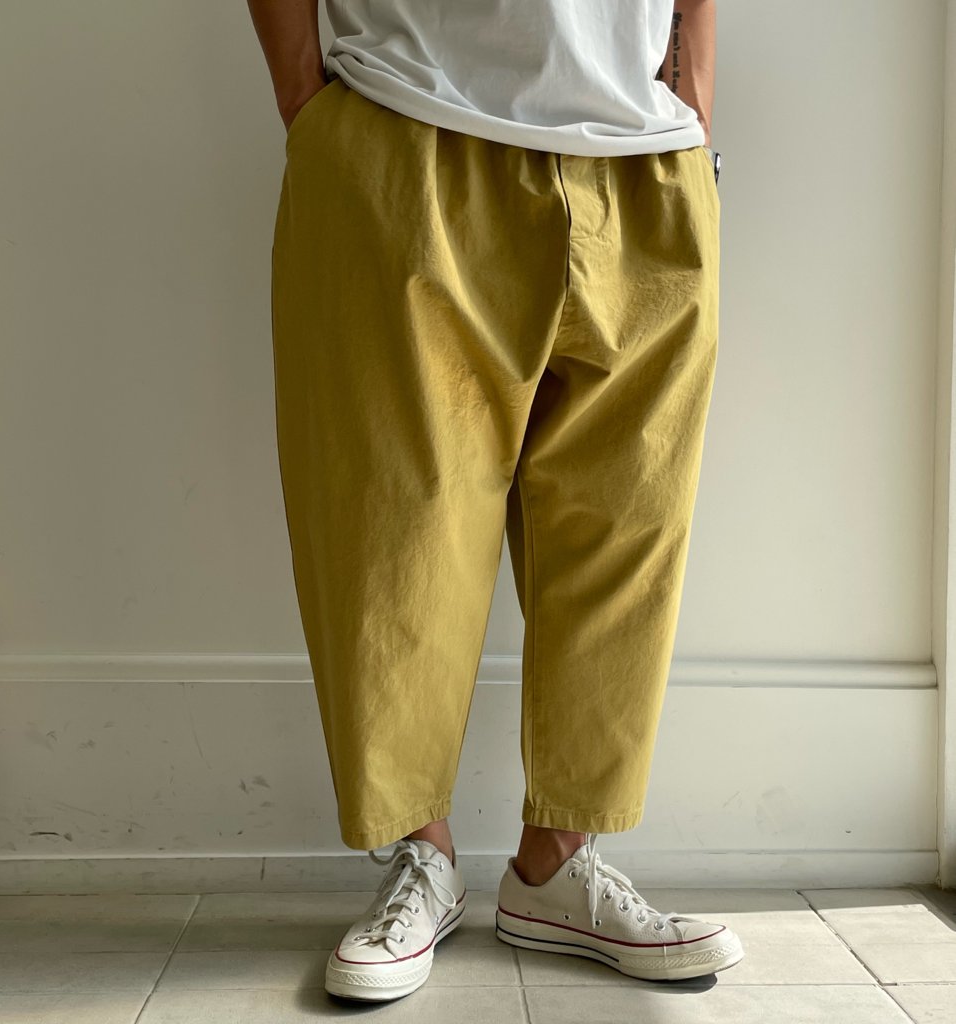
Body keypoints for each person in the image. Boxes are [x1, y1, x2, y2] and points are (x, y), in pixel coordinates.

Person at [248, 0, 742, 1001]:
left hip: (644, 156)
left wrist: (692, 101)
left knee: (627, 528)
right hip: (405, 124)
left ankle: (557, 865)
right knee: (393, 525)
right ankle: (418, 854)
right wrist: (310, 107)